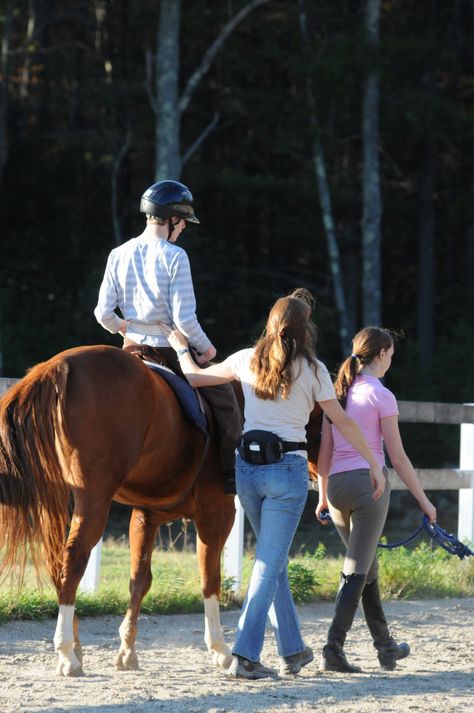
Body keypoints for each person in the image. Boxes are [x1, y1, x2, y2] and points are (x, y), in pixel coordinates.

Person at [163, 289, 387, 680]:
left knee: (274, 561)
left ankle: (293, 650)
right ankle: (246, 655)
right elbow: (343, 423)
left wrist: (180, 347)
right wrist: (374, 464)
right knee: (269, 564)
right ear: (305, 329)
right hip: (287, 472)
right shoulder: (315, 371)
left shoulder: (245, 359)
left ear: (271, 323)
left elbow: (195, 378)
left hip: (247, 470)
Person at [94, 179, 242, 494]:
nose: (185, 227)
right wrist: (207, 348)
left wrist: (125, 328)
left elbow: (103, 313)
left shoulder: (118, 253)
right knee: (227, 401)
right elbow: (185, 319)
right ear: (172, 218)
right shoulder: (175, 256)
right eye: (184, 221)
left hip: (130, 348)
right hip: (168, 350)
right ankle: (230, 476)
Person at [316, 326, 437, 673]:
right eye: (391, 356)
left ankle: (386, 647)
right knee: (357, 569)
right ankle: (333, 649)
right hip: (369, 488)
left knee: (367, 568)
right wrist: (425, 502)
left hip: (337, 486)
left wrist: (322, 496)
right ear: (381, 353)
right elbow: (397, 458)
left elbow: (324, 455)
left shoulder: (338, 394)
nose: (390, 363)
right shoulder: (381, 395)